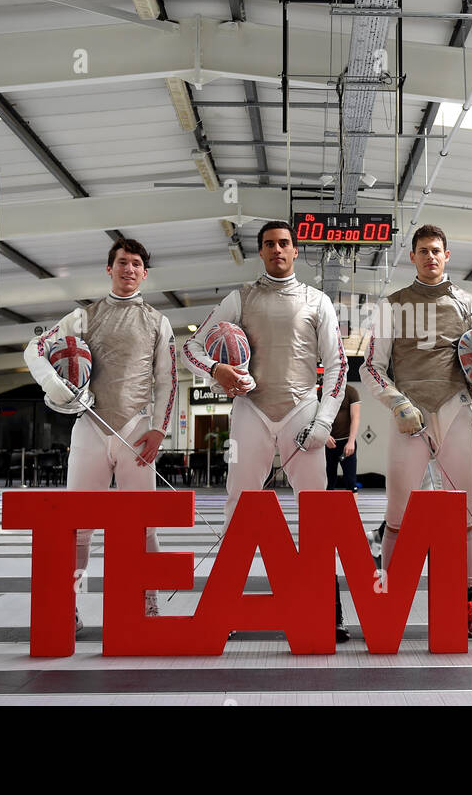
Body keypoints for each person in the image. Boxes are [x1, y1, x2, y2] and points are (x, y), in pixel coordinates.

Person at [183, 220, 350, 640]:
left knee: (317, 512)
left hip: (302, 412)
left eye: (285, 244)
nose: (277, 250)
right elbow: (191, 347)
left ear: (296, 251)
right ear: (260, 251)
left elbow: (338, 365)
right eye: (269, 244)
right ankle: (225, 608)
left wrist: (324, 420)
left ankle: (328, 612)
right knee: (238, 506)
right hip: (249, 410)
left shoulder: (318, 300)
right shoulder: (240, 298)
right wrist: (218, 369)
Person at [362, 224, 472, 640]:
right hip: (408, 416)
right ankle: (385, 602)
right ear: (411, 257)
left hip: (457, 410)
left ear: (447, 256)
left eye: (436, 251)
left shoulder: (469, 304)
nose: (430, 257)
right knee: (396, 517)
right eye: (423, 251)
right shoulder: (393, 305)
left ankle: (470, 603)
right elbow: (370, 366)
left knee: (463, 516)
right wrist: (398, 403)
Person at [24, 237, 177, 628]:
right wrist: (54, 385)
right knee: (77, 525)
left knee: (144, 524)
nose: (129, 269)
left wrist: (159, 429)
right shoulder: (83, 316)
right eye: (122, 262)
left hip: (136, 430)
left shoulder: (158, 321)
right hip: (89, 426)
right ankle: (68, 605)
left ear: (145, 273)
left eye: (136, 264)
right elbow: (34, 350)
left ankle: (149, 602)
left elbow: (167, 380)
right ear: (109, 269)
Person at [325, 383, 360, 491]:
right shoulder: (323, 391)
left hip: (346, 443)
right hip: (328, 443)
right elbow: (315, 416)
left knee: (351, 482)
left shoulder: (351, 391)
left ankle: (353, 508)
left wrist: (351, 441)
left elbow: (355, 418)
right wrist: (325, 435)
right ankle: (326, 507)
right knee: (328, 481)